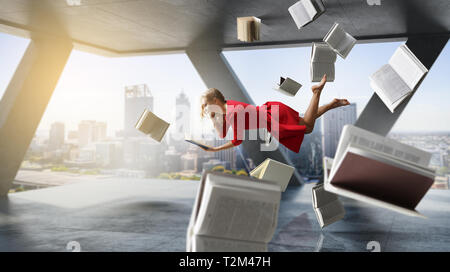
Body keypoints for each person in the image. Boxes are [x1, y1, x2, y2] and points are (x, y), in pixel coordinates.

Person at [199, 75, 350, 153]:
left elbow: (237, 140)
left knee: (307, 128)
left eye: (207, 104)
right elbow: (222, 134)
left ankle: (316, 92)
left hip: (274, 117)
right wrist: (213, 118)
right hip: (273, 113)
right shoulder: (228, 109)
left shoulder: (232, 112)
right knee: (305, 122)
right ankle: (332, 104)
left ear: (215, 100)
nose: (205, 108)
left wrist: (215, 150)